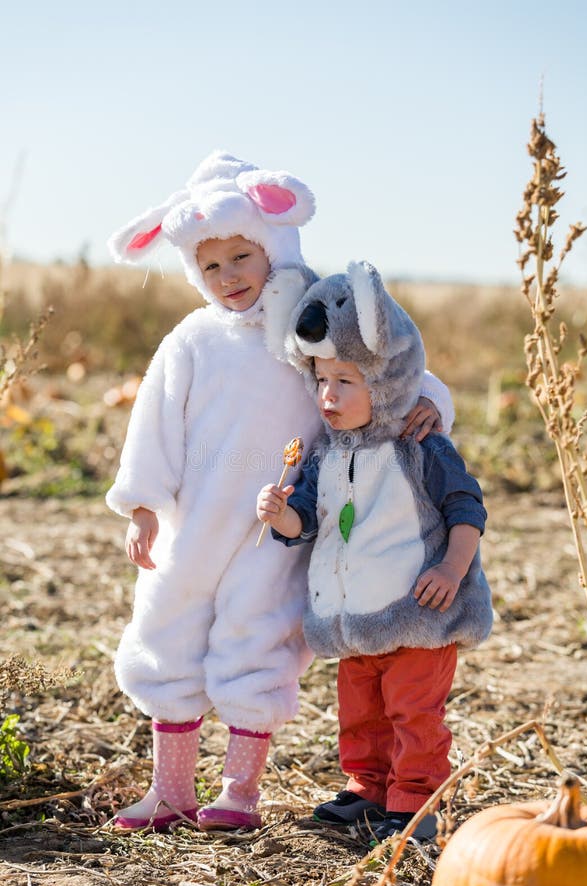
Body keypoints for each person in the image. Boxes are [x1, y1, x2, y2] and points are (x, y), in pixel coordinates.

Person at [105, 153, 455, 834]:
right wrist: (144, 506)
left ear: (274, 247)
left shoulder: (309, 322)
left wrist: (430, 402)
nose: (229, 275)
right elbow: (153, 421)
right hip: (193, 524)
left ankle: (238, 794)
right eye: (211, 266)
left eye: (243, 255)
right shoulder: (190, 341)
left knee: (256, 643)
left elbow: (384, 360)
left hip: (281, 525)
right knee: (169, 636)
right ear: (193, 274)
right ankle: (171, 790)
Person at [257, 261, 493, 843]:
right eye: (321, 381)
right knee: (361, 713)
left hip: (418, 612)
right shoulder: (325, 457)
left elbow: (467, 507)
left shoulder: (420, 445)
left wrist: (451, 567)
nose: (328, 396)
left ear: (383, 381)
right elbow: (305, 519)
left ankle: (414, 801)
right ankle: (369, 788)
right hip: (355, 615)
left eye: (346, 381)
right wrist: (280, 512)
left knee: (414, 714)